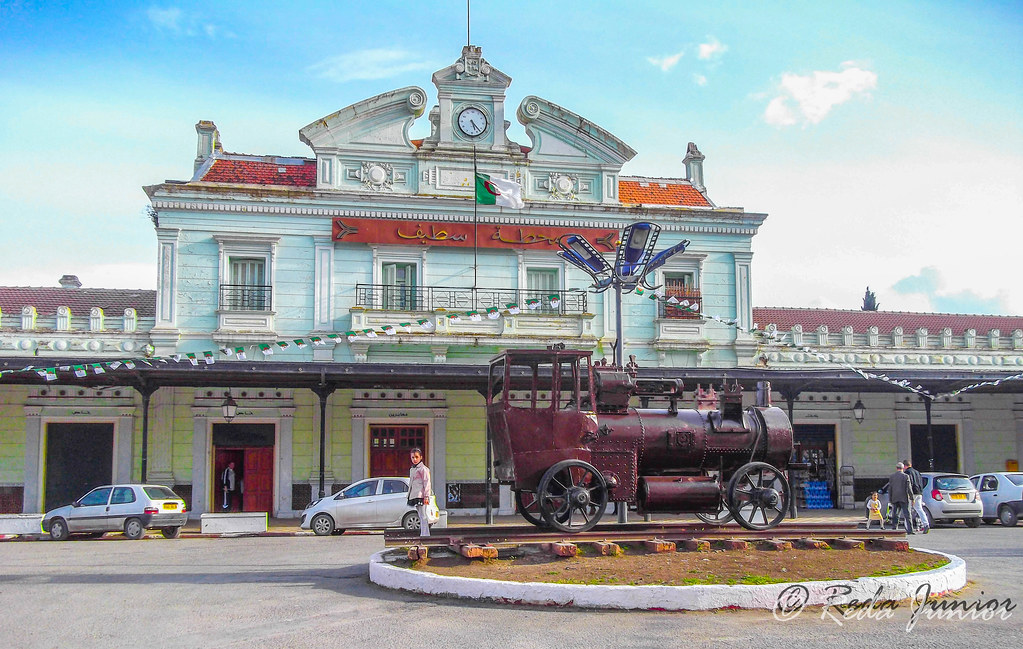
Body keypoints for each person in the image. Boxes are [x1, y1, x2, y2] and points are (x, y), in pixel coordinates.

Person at [408, 448, 432, 537]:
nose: (414, 459)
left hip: (421, 495)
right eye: (413, 457)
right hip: (415, 494)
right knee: (420, 515)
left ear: (421, 457)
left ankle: (425, 534)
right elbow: (411, 483)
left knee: (423, 515)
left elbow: (427, 482)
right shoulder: (412, 469)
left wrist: (426, 496)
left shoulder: (423, 469)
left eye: (416, 457)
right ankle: (423, 533)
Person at [886, 462, 915, 534]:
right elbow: (909, 488)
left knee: (895, 514)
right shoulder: (906, 476)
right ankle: (910, 530)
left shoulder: (892, 476)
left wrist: (890, 498)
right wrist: (912, 498)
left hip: (895, 497)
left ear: (896, 468)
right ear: (903, 468)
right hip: (904, 498)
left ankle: (894, 528)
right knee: (907, 514)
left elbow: (890, 488)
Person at [904, 459, 929, 534]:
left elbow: (909, 483)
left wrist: (908, 493)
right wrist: (920, 491)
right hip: (919, 492)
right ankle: (926, 524)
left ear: (905, 466)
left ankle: (908, 527)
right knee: (919, 509)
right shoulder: (917, 472)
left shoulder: (907, 472)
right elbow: (922, 482)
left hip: (912, 493)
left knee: (907, 510)